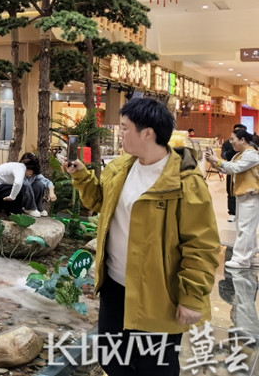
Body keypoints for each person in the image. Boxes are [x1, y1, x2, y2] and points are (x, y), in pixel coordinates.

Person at [64, 97, 220, 376]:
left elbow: (201, 245)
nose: (120, 134)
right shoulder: (121, 168)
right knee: (112, 359)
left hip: (159, 294)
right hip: (115, 286)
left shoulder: (185, 182)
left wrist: (191, 297)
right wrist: (82, 177)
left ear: (147, 133)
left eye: (125, 128)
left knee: (155, 366)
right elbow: (101, 202)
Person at [206, 128, 259, 269]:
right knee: (245, 228)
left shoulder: (251, 155)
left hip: (251, 196)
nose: (231, 142)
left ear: (242, 140)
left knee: (245, 228)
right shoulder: (239, 155)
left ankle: (241, 260)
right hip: (243, 195)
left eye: (232, 139)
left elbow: (235, 168)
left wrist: (217, 161)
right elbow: (228, 169)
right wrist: (214, 162)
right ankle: (251, 257)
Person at [222, 124, 247, 222]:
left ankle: (243, 212)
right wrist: (233, 149)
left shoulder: (249, 145)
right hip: (231, 170)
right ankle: (232, 213)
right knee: (231, 191)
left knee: (245, 192)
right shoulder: (228, 143)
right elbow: (224, 155)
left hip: (245, 171)